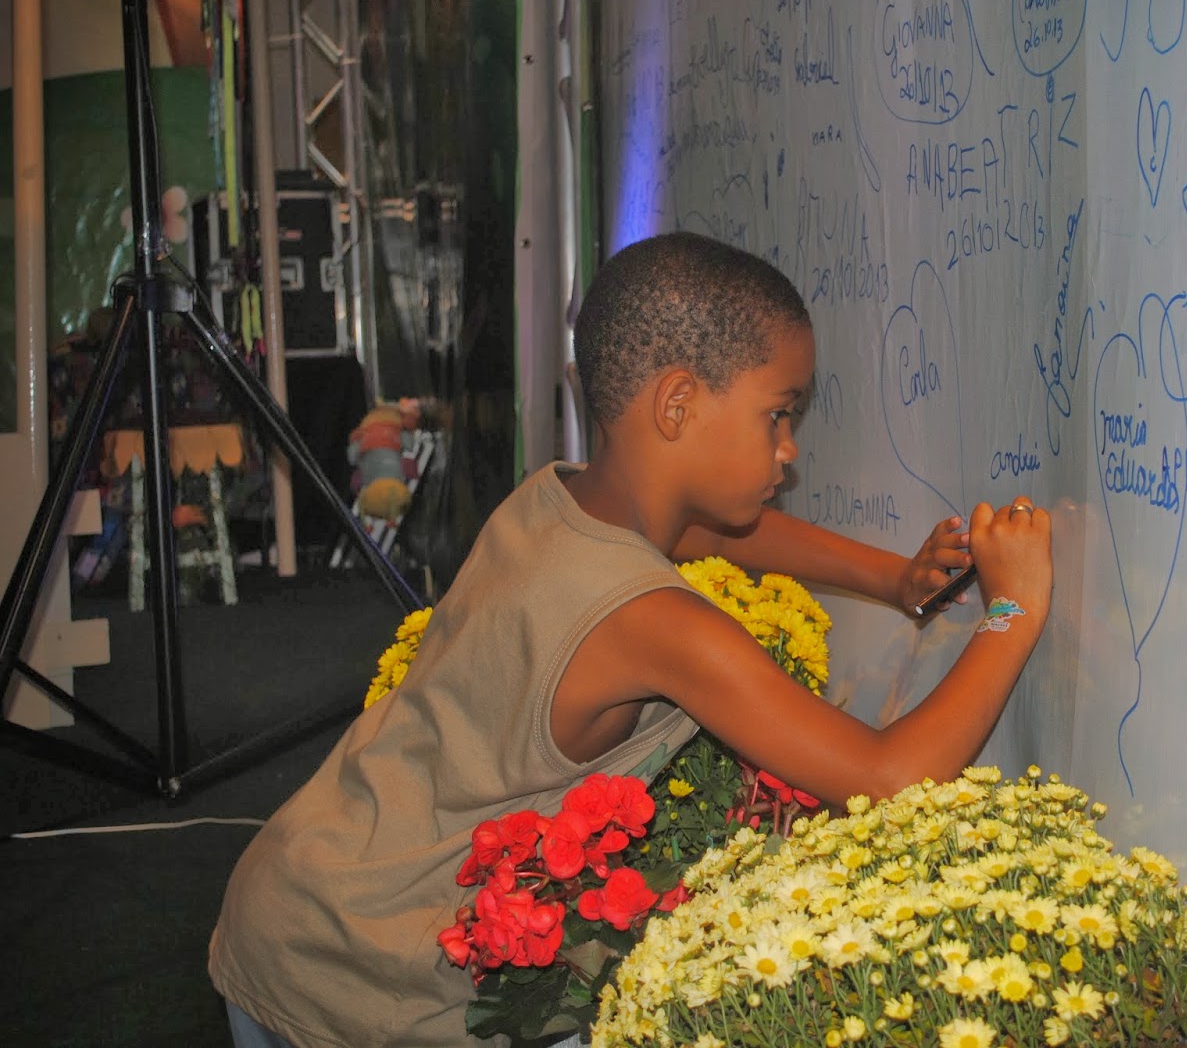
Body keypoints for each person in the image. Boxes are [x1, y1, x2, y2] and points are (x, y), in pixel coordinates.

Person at [209, 231, 1054, 1047]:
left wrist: (894, 579)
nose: (788, 450)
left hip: (297, 889)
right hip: (354, 970)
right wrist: (1012, 607)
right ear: (677, 403)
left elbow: (713, 532)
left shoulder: (557, 499)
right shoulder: (650, 620)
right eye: (777, 414)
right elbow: (886, 778)